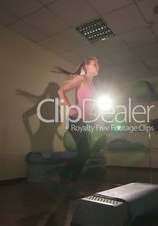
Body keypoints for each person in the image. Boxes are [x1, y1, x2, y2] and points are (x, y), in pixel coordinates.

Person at [53, 56, 99, 198]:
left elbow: (88, 104)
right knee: (84, 153)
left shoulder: (93, 85)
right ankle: (69, 182)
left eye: (98, 64)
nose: (98, 66)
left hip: (83, 121)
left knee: (84, 153)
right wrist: (69, 108)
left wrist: (92, 116)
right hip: (75, 120)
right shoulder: (81, 79)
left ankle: (63, 177)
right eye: (95, 64)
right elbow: (61, 91)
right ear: (86, 67)